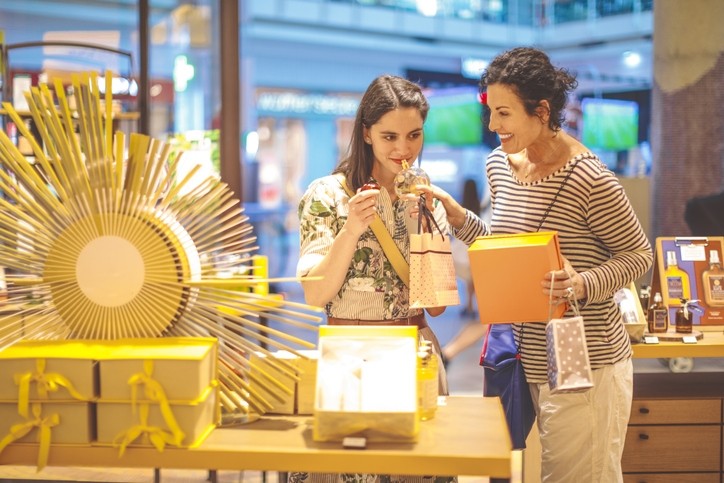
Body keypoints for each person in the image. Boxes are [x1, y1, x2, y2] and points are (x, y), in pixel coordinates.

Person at [418, 47, 653, 482]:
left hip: (586, 361)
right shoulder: (499, 166)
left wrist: (581, 283)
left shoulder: (590, 178)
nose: (493, 126)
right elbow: (508, 253)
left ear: (541, 111)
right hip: (519, 359)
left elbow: (639, 255)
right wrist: (460, 220)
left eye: (504, 113)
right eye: (490, 111)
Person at [293, 74, 455, 483]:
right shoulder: (327, 195)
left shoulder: (428, 199)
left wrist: (422, 225)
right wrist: (350, 230)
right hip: (349, 356)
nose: (404, 150)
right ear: (365, 133)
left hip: (415, 353)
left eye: (414, 135)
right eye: (389, 137)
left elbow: (435, 304)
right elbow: (316, 294)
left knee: (418, 469)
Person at [441, 178, 491, 366]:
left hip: (474, 253)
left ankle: (448, 353)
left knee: (493, 318)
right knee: (494, 319)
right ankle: (448, 353)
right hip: (489, 253)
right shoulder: (485, 198)